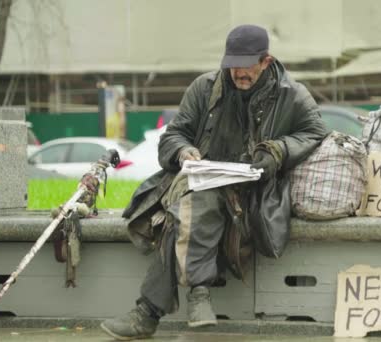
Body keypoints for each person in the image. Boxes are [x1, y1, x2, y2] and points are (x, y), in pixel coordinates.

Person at [100, 24, 327, 340]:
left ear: (266, 60)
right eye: (232, 65)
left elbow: (316, 134)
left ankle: (149, 314)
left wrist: (279, 150)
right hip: (199, 182)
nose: (238, 73)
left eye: (246, 66)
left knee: (184, 214)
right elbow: (173, 135)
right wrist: (183, 151)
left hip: (254, 195)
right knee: (193, 203)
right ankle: (196, 295)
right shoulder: (203, 88)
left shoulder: (293, 94)